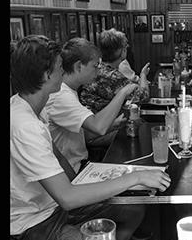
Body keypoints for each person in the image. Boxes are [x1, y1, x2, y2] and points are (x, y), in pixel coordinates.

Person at [10, 35, 171, 240]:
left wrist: (81, 182)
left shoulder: (29, 105)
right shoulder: (24, 125)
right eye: (59, 68)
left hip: (55, 207)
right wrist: (136, 177)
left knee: (133, 210)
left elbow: (57, 156)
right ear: (47, 75)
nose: (63, 73)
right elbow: (67, 197)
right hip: (36, 226)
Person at [45, 37, 138, 174]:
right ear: (78, 66)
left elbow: (83, 135)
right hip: (69, 173)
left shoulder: (69, 90)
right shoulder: (60, 95)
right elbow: (98, 127)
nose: (98, 71)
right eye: (95, 66)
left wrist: (112, 125)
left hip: (80, 164)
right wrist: (123, 92)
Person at [79, 29, 150, 114]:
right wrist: (143, 75)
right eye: (125, 47)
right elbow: (143, 96)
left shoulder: (97, 68)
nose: (126, 49)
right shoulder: (112, 76)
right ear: (120, 51)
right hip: (101, 123)